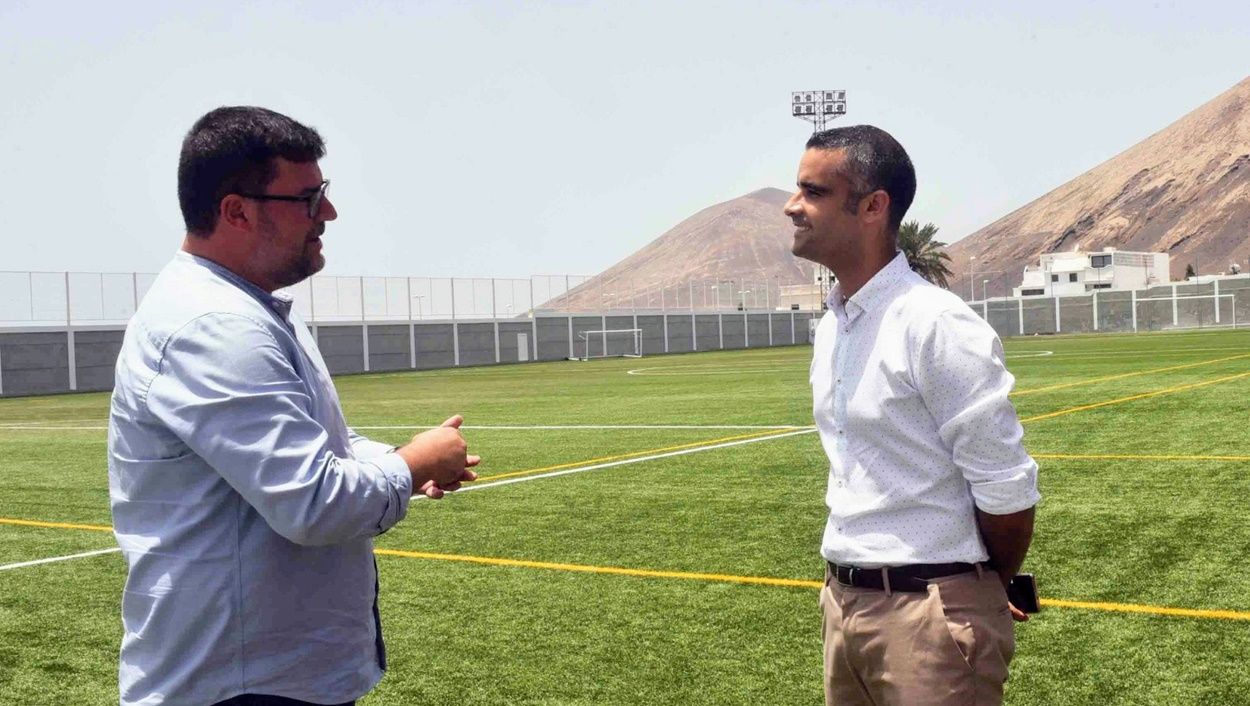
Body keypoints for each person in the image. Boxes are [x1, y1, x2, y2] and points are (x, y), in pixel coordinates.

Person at [108, 106, 479, 706]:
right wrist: (411, 466)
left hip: (268, 676)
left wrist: (402, 460)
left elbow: (313, 443)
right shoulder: (217, 326)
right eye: (308, 199)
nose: (327, 214)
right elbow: (314, 505)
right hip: (240, 685)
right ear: (236, 210)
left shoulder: (249, 309)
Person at [783, 125, 1040, 706]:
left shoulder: (933, 323)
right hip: (843, 603)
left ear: (873, 207)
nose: (791, 206)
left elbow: (1006, 486)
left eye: (813, 191)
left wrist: (975, 589)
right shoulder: (834, 324)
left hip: (930, 612)